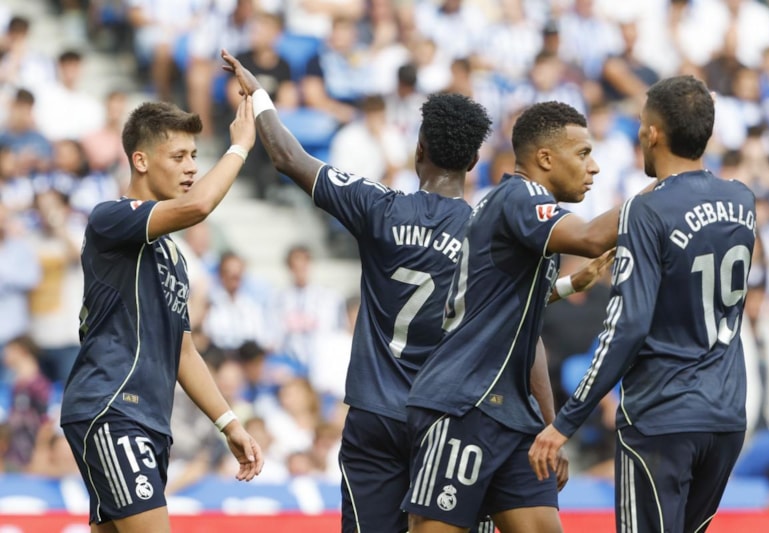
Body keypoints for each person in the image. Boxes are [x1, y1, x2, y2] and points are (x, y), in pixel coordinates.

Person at [222, 49, 610, 533]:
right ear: (474, 160)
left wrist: (260, 95)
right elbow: (515, 325)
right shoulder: (487, 230)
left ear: (418, 150)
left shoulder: (377, 207)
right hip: (456, 415)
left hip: (377, 413)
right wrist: (551, 422)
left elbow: (288, 157)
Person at [530, 75, 757, 533]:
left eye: (640, 124)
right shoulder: (743, 200)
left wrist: (565, 422)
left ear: (653, 134)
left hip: (662, 415)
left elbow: (626, 326)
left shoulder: (646, 211)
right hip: (726, 417)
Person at [400, 100, 624, 533]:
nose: (593, 167)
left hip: (512, 413)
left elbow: (523, 325)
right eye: (583, 153)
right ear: (545, 158)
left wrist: (550, 427)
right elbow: (591, 237)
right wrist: (666, 191)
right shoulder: (521, 196)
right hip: (464, 403)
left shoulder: (526, 225)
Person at [59, 97, 264, 533]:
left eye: (194, 156)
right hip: (113, 408)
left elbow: (183, 352)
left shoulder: (174, 256)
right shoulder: (110, 218)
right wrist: (241, 146)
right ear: (141, 161)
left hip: (149, 421)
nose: (191, 168)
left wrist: (229, 423)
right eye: (178, 156)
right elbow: (199, 206)